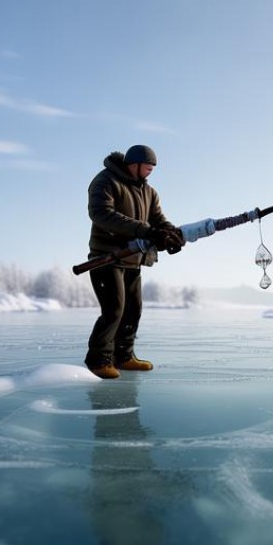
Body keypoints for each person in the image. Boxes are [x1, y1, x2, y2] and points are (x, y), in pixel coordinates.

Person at [84, 145, 186, 379]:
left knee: (133, 310)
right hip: (106, 257)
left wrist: (171, 233)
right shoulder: (105, 181)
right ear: (134, 164)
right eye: (148, 168)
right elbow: (101, 214)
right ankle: (98, 360)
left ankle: (124, 356)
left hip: (134, 259)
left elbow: (158, 219)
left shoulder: (149, 192)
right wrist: (146, 231)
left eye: (152, 169)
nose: (150, 172)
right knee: (114, 310)